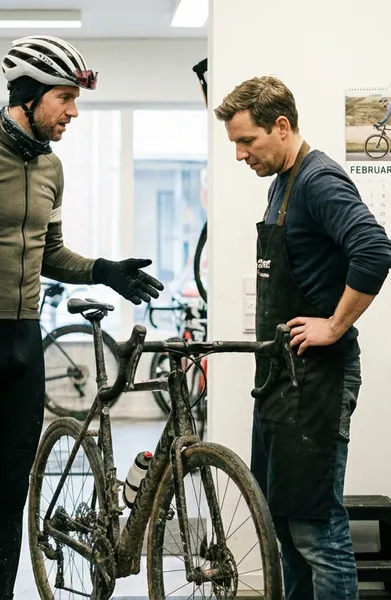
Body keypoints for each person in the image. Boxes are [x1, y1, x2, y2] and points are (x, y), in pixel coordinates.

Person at [0, 34, 164, 600]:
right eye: (65, 98)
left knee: (9, 498)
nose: (73, 112)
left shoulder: (51, 168)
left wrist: (103, 270)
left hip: (25, 343)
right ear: (28, 95)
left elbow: (51, 254)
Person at [215, 76, 391, 600]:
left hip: (318, 383)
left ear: (281, 126)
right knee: (285, 523)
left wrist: (334, 325)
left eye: (247, 141)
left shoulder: (319, 181)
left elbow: (375, 250)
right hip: (281, 381)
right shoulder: (281, 183)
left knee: (317, 530)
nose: (240, 154)